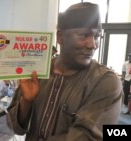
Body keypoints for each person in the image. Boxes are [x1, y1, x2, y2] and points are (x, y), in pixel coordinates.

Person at [7, 2, 122, 141]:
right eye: (84, 35)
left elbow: (86, 138)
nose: (93, 45)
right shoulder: (37, 72)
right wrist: (27, 102)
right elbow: (14, 127)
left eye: (97, 36)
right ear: (60, 37)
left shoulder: (105, 82)